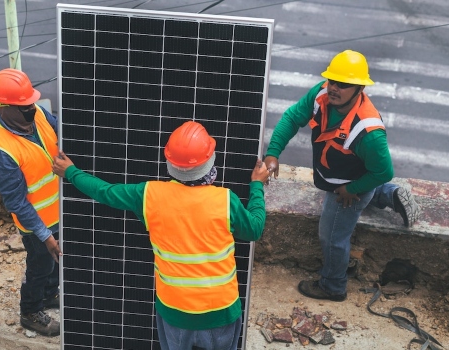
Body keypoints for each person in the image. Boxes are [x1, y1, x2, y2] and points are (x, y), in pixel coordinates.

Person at [52, 121, 270, 350]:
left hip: (174, 312)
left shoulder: (148, 195)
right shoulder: (226, 200)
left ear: (170, 162)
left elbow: (105, 192)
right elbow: (254, 228)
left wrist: (71, 172)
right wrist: (257, 185)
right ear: (210, 161)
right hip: (221, 312)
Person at [263, 50, 421, 302]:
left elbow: (383, 171)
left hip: (348, 186)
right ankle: (388, 195)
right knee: (359, 199)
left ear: (359, 88)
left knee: (333, 235)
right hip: (337, 175)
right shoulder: (321, 94)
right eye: (332, 81)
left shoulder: (368, 131)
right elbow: (292, 117)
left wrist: (353, 189)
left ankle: (333, 285)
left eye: (343, 84)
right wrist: (273, 153)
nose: (334, 88)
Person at [0, 68, 61, 336]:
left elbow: (56, 128)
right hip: (36, 224)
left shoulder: (36, 113)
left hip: (58, 212)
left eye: (31, 103)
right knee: (40, 267)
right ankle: (30, 312)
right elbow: (16, 202)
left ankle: (50, 295)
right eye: (24, 106)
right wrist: (45, 235)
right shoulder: (1, 153)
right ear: (3, 108)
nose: (32, 109)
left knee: (53, 264)